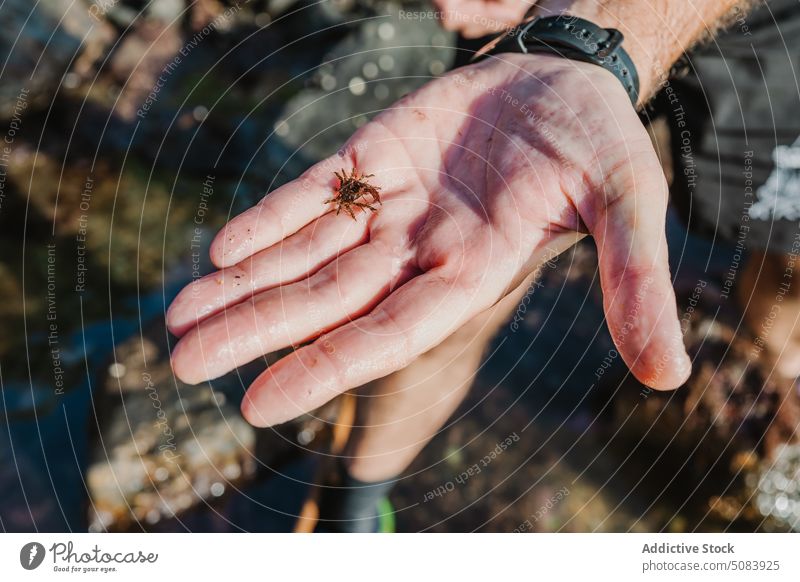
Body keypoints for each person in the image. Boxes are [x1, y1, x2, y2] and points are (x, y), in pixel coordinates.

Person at [167, 0, 790, 531]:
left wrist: (591, 31)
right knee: (451, 284)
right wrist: (573, 34)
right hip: (536, 32)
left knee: (780, 268)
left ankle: (770, 380)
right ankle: (355, 498)